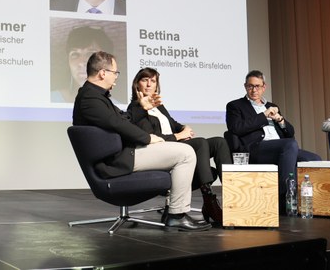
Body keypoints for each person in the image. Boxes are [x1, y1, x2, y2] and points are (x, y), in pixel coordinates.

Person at [72, 51, 210, 231]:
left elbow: (123, 119)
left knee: (181, 150)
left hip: (121, 153)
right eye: (115, 72)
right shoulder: (91, 98)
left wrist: (142, 107)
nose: (116, 77)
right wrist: (148, 138)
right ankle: (176, 214)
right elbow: (118, 124)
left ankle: (174, 211)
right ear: (102, 73)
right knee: (185, 153)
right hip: (117, 160)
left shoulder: (95, 95)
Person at [127, 67, 232, 225]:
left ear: (157, 86)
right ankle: (208, 198)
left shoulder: (159, 107)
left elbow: (174, 124)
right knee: (200, 143)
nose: (149, 84)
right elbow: (151, 139)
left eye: (153, 81)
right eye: (144, 80)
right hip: (162, 153)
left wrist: (184, 128)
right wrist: (178, 136)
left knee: (219, 142)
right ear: (137, 85)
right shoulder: (136, 109)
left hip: (178, 145)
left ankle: (234, 198)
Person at [225, 70, 322, 212]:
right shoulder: (235, 106)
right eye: (250, 86)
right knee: (290, 144)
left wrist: (280, 119)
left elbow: (290, 132)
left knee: (314, 158)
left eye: (257, 86)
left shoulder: (271, 105)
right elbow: (236, 128)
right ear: (245, 86)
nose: (254, 90)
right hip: (256, 148)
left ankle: (313, 201)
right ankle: (284, 198)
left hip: (281, 147)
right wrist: (263, 115)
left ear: (264, 87)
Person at [51, 25, 113, 103]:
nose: (81, 62)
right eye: (75, 55)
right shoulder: (52, 99)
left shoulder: (117, 108)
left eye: (90, 54)